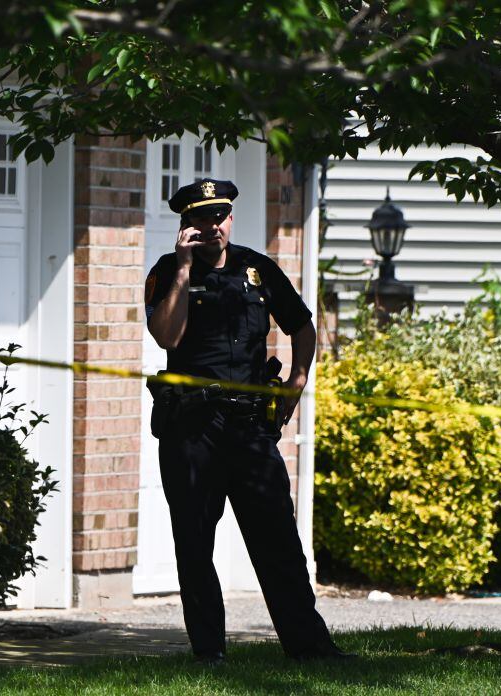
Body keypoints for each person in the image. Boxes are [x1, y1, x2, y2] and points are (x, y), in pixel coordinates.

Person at [144, 178, 351, 663]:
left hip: (251, 429)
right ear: (186, 224)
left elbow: (302, 324)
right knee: (194, 543)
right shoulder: (167, 272)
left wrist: (297, 383)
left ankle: (310, 647)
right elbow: (167, 337)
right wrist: (182, 270)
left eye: (220, 216)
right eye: (201, 217)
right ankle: (209, 653)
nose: (213, 225)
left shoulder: (258, 269)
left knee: (278, 538)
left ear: (230, 218)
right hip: (192, 430)